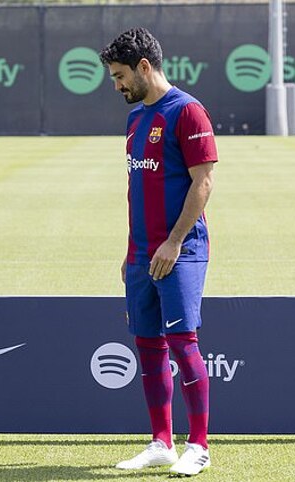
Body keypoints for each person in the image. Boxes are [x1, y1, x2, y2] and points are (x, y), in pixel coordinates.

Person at [99, 28, 217, 477]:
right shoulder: (135, 119)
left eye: (120, 76)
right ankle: (161, 443)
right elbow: (140, 187)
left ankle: (199, 446)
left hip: (180, 251)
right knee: (147, 345)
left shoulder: (188, 110)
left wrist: (174, 241)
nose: (117, 85)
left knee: (183, 344)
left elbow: (203, 182)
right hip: (141, 254)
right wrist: (132, 251)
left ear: (144, 67)